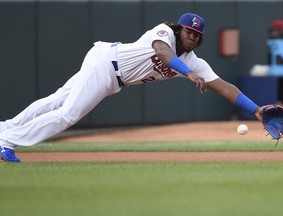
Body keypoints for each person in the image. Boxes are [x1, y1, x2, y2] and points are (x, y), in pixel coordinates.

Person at [0, 13, 263, 163]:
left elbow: (224, 86)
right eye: (188, 32)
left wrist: (256, 109)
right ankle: (8, 141)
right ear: (179, 29)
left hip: (112, 76)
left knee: (55, 100)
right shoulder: (164, 33)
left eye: (196, 35)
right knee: (68, 114)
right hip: (106, 63)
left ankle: (5, 128)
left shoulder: (194, 62)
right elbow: (161, 52)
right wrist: (189, 73)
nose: (191, 37)